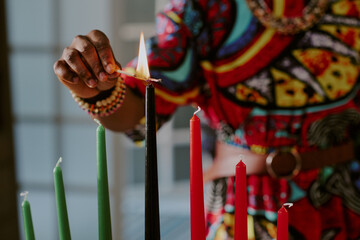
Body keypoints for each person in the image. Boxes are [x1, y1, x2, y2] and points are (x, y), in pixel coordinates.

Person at [54, 0, 360, 239]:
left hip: (346, 201)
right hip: (241, 213)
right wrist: (98, 92)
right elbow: (139, 107)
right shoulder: (201, 10)